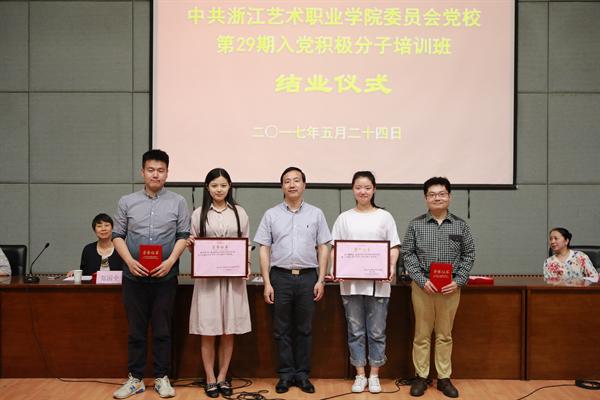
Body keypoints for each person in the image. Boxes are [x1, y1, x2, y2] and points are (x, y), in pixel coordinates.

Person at [112, 149, 190, 399]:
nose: (155, 174)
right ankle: (135, 379)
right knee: (136, 331)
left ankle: (161, 377)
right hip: (133, 277)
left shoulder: (178, 201)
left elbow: (183, 235)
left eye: (160, 170)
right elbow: (117, 235)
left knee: (162, 330)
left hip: (165, 277)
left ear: (167, 173)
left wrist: (170, 261)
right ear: (142, 172)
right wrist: (129, 261)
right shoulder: (127, 201)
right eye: (151, 170)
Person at [254, 167, 331, 394]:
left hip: (308, 277)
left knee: (305, 329)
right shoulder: (271, 214)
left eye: (296, 180)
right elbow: (264, 249)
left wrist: (321, 279)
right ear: (282, 186)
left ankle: (303, 375)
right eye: (287, 181)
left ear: (304, 185)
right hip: (280, 277)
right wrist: (267, 282)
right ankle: (286, 375)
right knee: (281, 329)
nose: (292, 184)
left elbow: (324, 247)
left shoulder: (316, 214)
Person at [402, 177, 475, 399]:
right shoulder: (416, 225)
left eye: (442, 194)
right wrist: (421, 280)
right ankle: (421, 377)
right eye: (432, 194)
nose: (437, 198)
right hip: (423, 286)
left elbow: (469, 254)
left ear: (449, 197)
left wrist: (459, 280)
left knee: (445, 335)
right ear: (426, 198)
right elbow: (407, 254)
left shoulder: (460, 225)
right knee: (421, 334)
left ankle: (444, 378)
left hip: (450, 287)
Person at [330, 171, 400, 394]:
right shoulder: (344, 218)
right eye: (359, 187)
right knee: (356, 331)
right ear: (353, 189)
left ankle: (375, 375)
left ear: (374, 189)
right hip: (350, 285)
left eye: (367, 187)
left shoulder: (384, 217)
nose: (363, 191)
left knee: (377, 332)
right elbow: (335, 249)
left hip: (379, 285)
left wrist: (390, 267)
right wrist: (335, 269)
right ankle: (360, 374)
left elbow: (393, 247)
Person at [187, 168, 252, 398]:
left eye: (223, 185)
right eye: (214, 185)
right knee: (208, 330)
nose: (219, 189)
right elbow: (195, 248)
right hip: (207, 281)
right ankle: (210, 378)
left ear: (229, 186)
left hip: (232, 280)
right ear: (207, 187)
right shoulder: (198, 214)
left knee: (228, 330)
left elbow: (246, 243)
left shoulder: (239, 213)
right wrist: (192, 246)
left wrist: (246, 265)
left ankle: (223, 376)